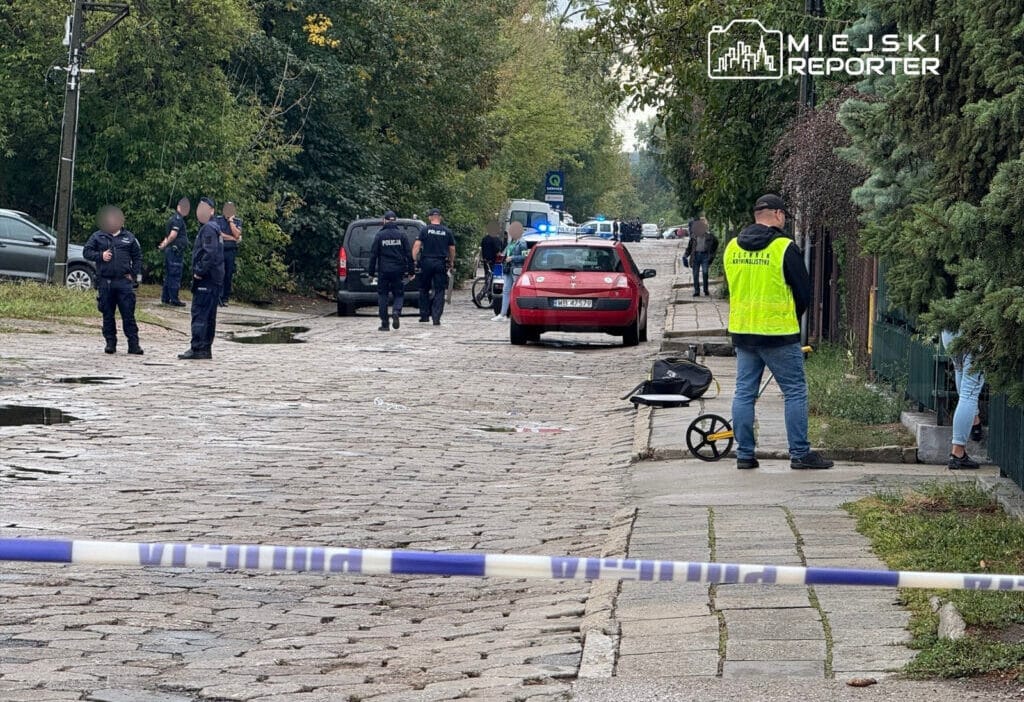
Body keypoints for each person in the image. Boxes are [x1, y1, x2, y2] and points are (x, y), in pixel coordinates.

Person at [724, 194, 832, 471]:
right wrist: (790, 317)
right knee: (794, 391)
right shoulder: (784, 247)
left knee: (744, 393)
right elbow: (803, 292)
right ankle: (800, 453)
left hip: (743, 332)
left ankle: (744, 454)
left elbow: (733, 286)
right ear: (778, 214)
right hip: (778, 334)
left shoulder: (732, 247)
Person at [83, 205, 143, 355]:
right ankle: (110, 343)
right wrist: (100, 256)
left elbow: (137, 257)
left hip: (123, 282)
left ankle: (133, 344)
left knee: (128, 315)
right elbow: (86, 252)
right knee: (107, 314)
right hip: (106, 282)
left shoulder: (129, 238)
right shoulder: (98, 236)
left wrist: (133, 274)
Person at [179, 197, 224, 360]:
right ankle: (205, 348)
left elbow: (209, 253)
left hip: (206, 279)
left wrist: (199, 271)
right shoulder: (215, 227)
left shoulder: (209, 228)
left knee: (200, 313)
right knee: (209, 315)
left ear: (212, 211)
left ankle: (198, 347)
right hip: (214, 279)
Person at [941, 331, 985, 469]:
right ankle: (958, 453)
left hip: (949, 332)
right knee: (969, 392)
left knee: (960, 372)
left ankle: (974, 419)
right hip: (974, 333)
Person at [368, 210, 414, 331]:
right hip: (398, 270)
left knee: (383, 295)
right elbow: (409, 255)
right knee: (398, 294)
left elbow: (373, 255)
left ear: (384, 220)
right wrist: (411, 271)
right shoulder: (402, 235)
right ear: (395, 221)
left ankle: (385, 323)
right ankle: (396, 312)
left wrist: (371, 273)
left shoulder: (380, 235)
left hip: (383, 270)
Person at [412, 207, 456, 325]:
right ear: (440, 218)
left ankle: (424, 315)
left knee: (424, 289)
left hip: (426, 262)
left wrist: (414, 260)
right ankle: (436, 317)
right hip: (440, 263)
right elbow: (452, 248)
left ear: (430, 218)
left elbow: (417, 245)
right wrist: (451, 261)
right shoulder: (447, 231)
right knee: (439, 290)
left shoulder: (425, 230)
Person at [492, 221, 528, 321]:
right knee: (506, 290)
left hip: (516, 269)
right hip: (508, 269)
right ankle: (502, 314)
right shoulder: (511, 242)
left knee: (515, 291)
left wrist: (512, 258)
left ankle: (514, 314)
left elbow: (525, 257)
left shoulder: (522, 243)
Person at [159, 197, 189, 307]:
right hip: (175, 251)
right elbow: (172, 235)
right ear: (178, 207)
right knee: (175, 275)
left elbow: (168, 236)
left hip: (170, 250)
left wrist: (164, 244)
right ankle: (174, 299)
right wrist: (166, 244)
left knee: (169, 275)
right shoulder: (178, 219)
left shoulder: (172, 218)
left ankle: (165, 298)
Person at [216, 201, 242, 307]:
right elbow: (219, 234)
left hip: (231, 251)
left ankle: (225, 298)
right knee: (219, 273)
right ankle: (218, 297)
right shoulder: (218, 219)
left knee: (228, 275)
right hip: (220, 250)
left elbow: (237, 234)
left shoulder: (237, 221)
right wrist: (232, 238)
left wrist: (231, 222)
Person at [684, 215, 718, 297]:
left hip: (705, 256)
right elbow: (689, 247)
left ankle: (706, 290)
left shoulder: (710, 236)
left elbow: (716, 244)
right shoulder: (694, 236)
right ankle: (697, 291)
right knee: (695, 274)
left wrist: (712, 254)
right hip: (695, 256)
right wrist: (685, 255)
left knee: (705, 273)